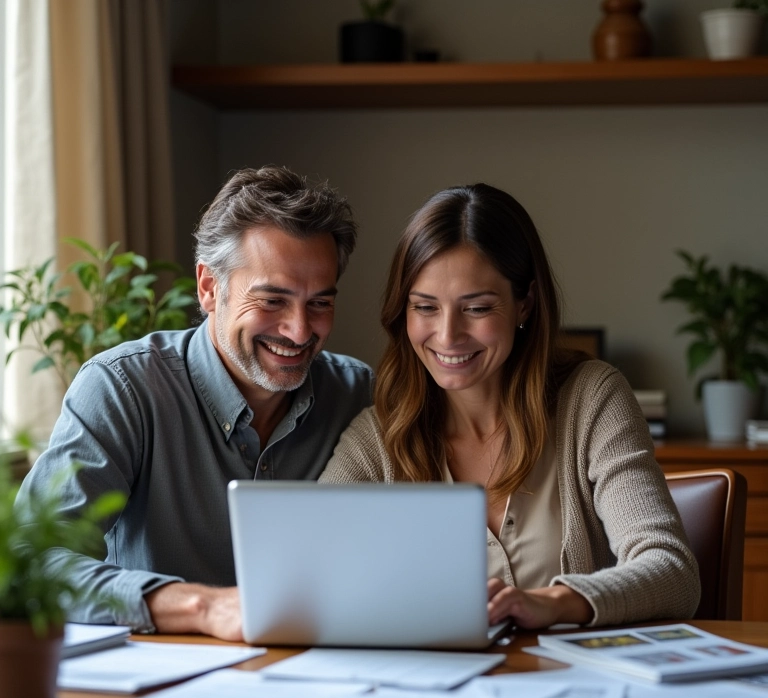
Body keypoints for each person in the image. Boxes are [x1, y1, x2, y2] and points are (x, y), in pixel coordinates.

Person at [320, 182, 700, 630]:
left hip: (571, 672)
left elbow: (672, 572)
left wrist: (553, 602)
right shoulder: (376, 438)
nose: (447, 335)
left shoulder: (592, 400)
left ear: (525, 304)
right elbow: (306, 570)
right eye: (425, 307)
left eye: (477, 309)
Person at [17, 166, 374, 640]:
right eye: (272, 301)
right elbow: (32, 562)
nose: (299, 330)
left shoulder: (357, 393)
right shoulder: (122, 388)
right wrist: (202, 608)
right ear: (209, 288)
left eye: (320, 303)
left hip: (318, 665)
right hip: (160, 675)